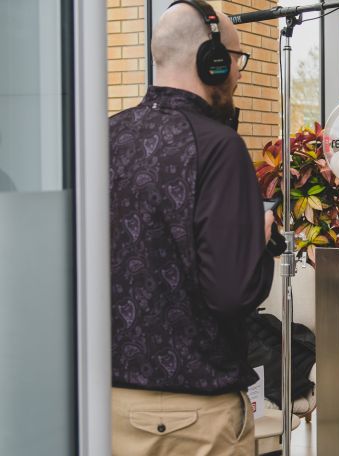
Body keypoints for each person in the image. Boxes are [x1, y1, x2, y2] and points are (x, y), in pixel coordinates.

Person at [108, 1, 283, 454]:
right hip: (193, 424)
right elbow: (231, 294)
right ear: (213, 62)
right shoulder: (218, 148)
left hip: (104, 409)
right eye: (237, 59)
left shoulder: (103, 137)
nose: (239, 72)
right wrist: (260, 247)